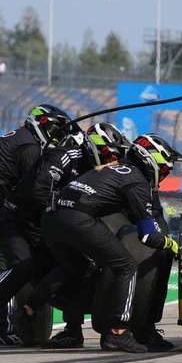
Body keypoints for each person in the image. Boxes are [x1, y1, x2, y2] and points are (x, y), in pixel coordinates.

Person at [38, 134, 182, 353]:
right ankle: (118, 332)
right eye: (163, 170)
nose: (163, 175)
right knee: (127, 266)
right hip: (79, 219)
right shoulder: (136, 181)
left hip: (51, 220)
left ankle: (39, 309)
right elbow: (148, 236)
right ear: (150, 160)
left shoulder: (108, 169)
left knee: (79, 268)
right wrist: (171, 245)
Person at [0, 104, 71, 350]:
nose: (56, 136)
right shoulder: (30, 147)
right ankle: (1, 331)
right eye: (55, 129)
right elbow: (33, 191)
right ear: (42, 123)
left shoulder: (14, 138)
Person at [29, 122, 131, 349]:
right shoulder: (66, 157)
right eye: (107, 154)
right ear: (94, 146)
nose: (111, 160)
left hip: (88, 222)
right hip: (55, 223)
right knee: (73, 268)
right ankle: (64, 325)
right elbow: (41, 191)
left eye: (114, 155)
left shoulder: (109, 169)